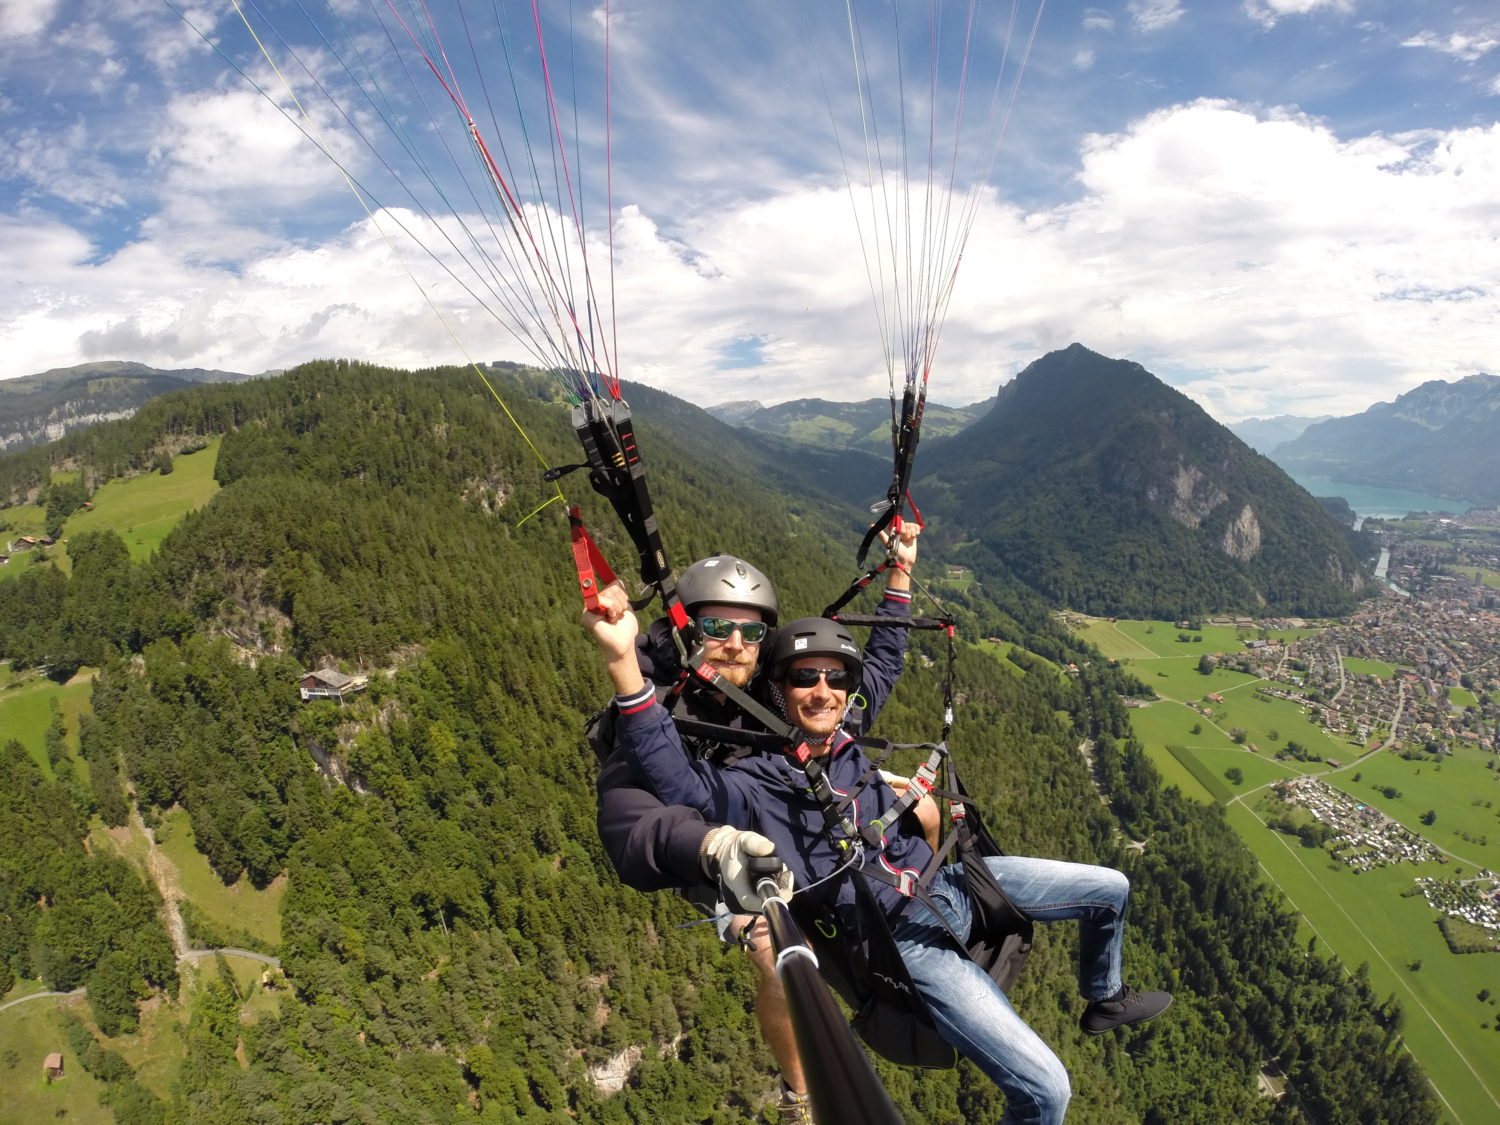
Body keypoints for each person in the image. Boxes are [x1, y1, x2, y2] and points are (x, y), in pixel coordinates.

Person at [586, 526, 1171, 1125]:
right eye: (806, 680)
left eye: (836, 680)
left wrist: (901, 573)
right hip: (902, 939)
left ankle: (1105, 997)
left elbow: (885, 660)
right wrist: (625, 668)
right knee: (1048, 1092)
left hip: (954, 885)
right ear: (780, 692)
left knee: (1111, 889)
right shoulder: (755, 780)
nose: (823, 691)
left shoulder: (840, 731)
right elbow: (681, 786)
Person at [590, 553, 814, 1120]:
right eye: (717, 627)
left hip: (765, 827)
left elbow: (852, 691)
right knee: (774, 948)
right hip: (711, 860)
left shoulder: (764, 691)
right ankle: (799, 1098)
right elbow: (631, 828)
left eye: (751, 631)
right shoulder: (649, 712)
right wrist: (710, 848)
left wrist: (898, 577)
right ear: (688, 628)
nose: (735, 642)